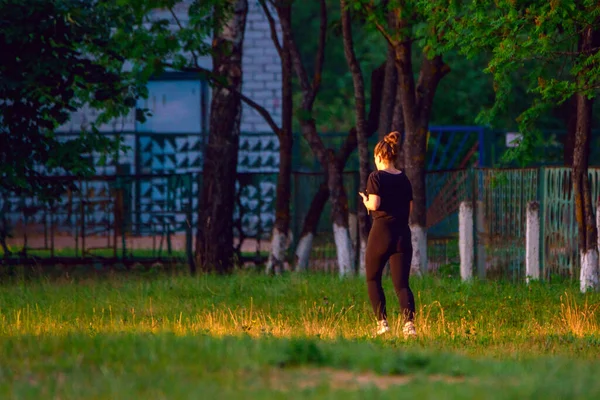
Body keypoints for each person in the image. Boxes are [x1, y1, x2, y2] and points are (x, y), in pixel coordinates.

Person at [359, 131, 416, 338]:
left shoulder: (375, 177)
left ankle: (383, 324)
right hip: (402, 233)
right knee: (401, 284)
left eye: (375, 158)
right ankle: (409, 326)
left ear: (380, 157)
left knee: (373, 279)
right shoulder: (404, 178)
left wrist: (365, 202)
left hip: (381, 232)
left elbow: (374, 204)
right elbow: (410, 210)